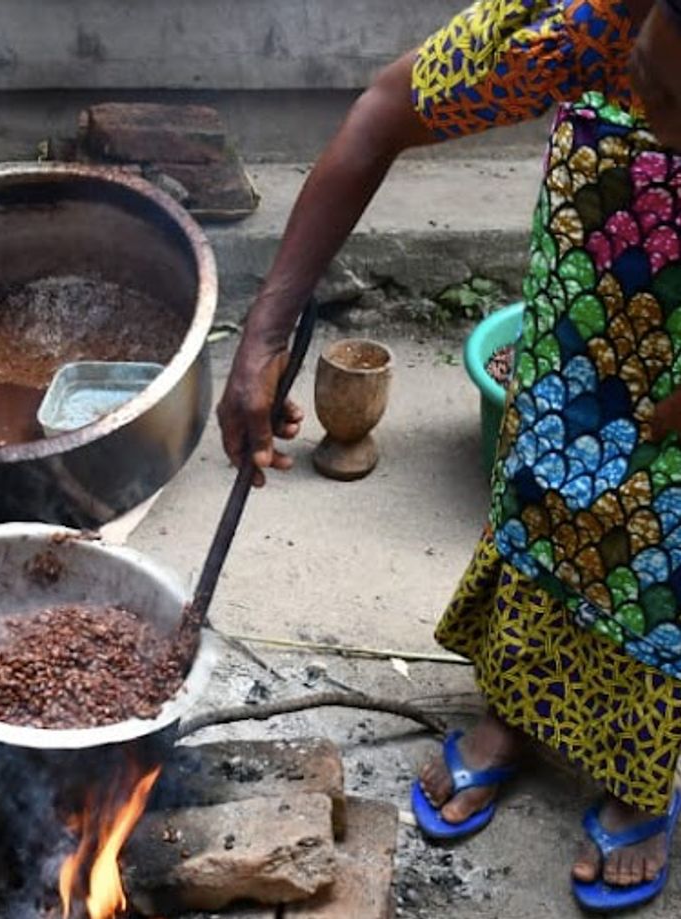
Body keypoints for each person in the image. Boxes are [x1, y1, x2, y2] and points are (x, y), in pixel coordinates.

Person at [217, 0, 681, 909]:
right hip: (574, 350)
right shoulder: (584, 23)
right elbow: (382, 113)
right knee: (542, 505)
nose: (661, 125)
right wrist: (261, 329)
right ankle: (513, 716)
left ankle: (636, 776)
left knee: (663, 564)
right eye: (650, 88)